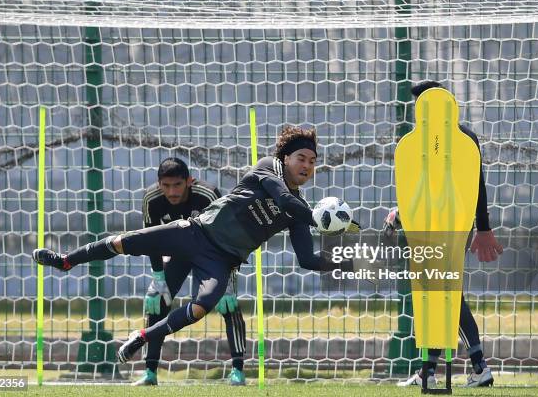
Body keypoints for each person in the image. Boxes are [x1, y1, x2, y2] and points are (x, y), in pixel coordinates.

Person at [32, 126, 353, 374]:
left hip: (222, 261)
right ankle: (65, 261)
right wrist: (313, 216)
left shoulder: (300, 211)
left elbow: (307, 259)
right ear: (285, 157)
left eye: (313, 162)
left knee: (201, 308)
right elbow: (282, 199)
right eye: (302, 158)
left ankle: (142, 337)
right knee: (122, 242)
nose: (308, 166)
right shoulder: (268, 169)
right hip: (196, 233)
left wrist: (342, 261)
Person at [388, 81, 503, 388]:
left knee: (444, 293)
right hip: (428, 226)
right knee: (439, 293)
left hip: (452, 226)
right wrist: (402, 213)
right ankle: (433, 371)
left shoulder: (463, 138)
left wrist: (484, 228)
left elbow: (474, 185)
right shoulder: (417, 141)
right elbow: (419, 185)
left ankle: (477, 366)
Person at [136, 157, 246, 386]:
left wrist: (228, 284)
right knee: (158, 301)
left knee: (229, 305)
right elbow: (150, 241)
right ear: (158, 184)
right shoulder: (152, 200)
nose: (172, 191)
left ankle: (238, 370)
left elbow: (229, 239)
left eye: (177, 184)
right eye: (165, 186)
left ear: (189, 181)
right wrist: (158, 279)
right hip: (180, 255)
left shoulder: (208, 195)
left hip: (213, 256)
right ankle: (150, 372)